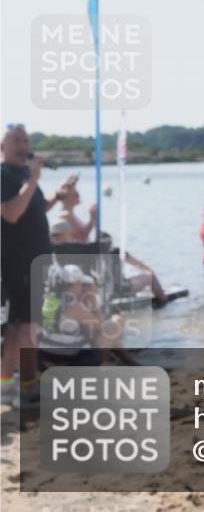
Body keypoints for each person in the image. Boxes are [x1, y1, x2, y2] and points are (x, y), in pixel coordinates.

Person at [1, 124, 71, 406]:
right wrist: (33, 179)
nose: (23, 144)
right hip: (18, 260)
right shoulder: (4, 174)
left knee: (30, 324)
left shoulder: (25, 174)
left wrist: (58, 196)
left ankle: (25, 381)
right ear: (3, 146)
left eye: (25, 140)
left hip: (38, 258)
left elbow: (34, 209)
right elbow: (12, 214)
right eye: (16, 140)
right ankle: (5, 383)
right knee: (21, 325)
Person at [54, 176, 96, 242]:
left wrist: (93, 219)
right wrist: (92, 219)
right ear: (67, 197)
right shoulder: (66, 215)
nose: (79, 197)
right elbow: (82, 237)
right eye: (76, 195)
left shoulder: (70, 214)